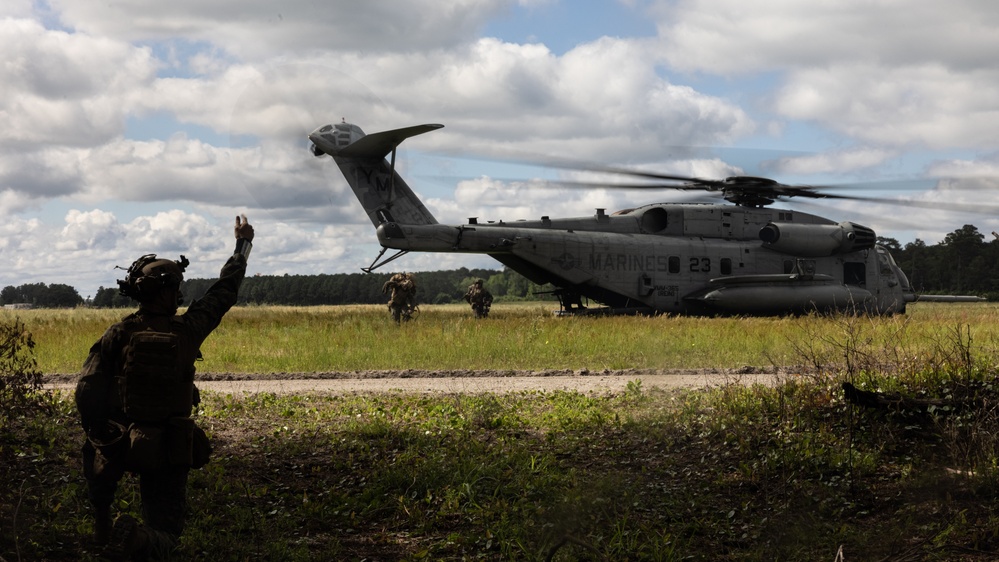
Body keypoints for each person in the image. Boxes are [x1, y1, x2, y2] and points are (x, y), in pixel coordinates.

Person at [75, 215, 255, 560]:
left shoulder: (118, 333)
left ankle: (102, 525)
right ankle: (141, 539)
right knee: (168, 533)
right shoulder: (189, 329)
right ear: (169, 290)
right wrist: (242, 246)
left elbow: (87, 389)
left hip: (118, 440)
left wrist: (101, 432)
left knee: (94, 448)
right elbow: (224, 291)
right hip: (168, 445)